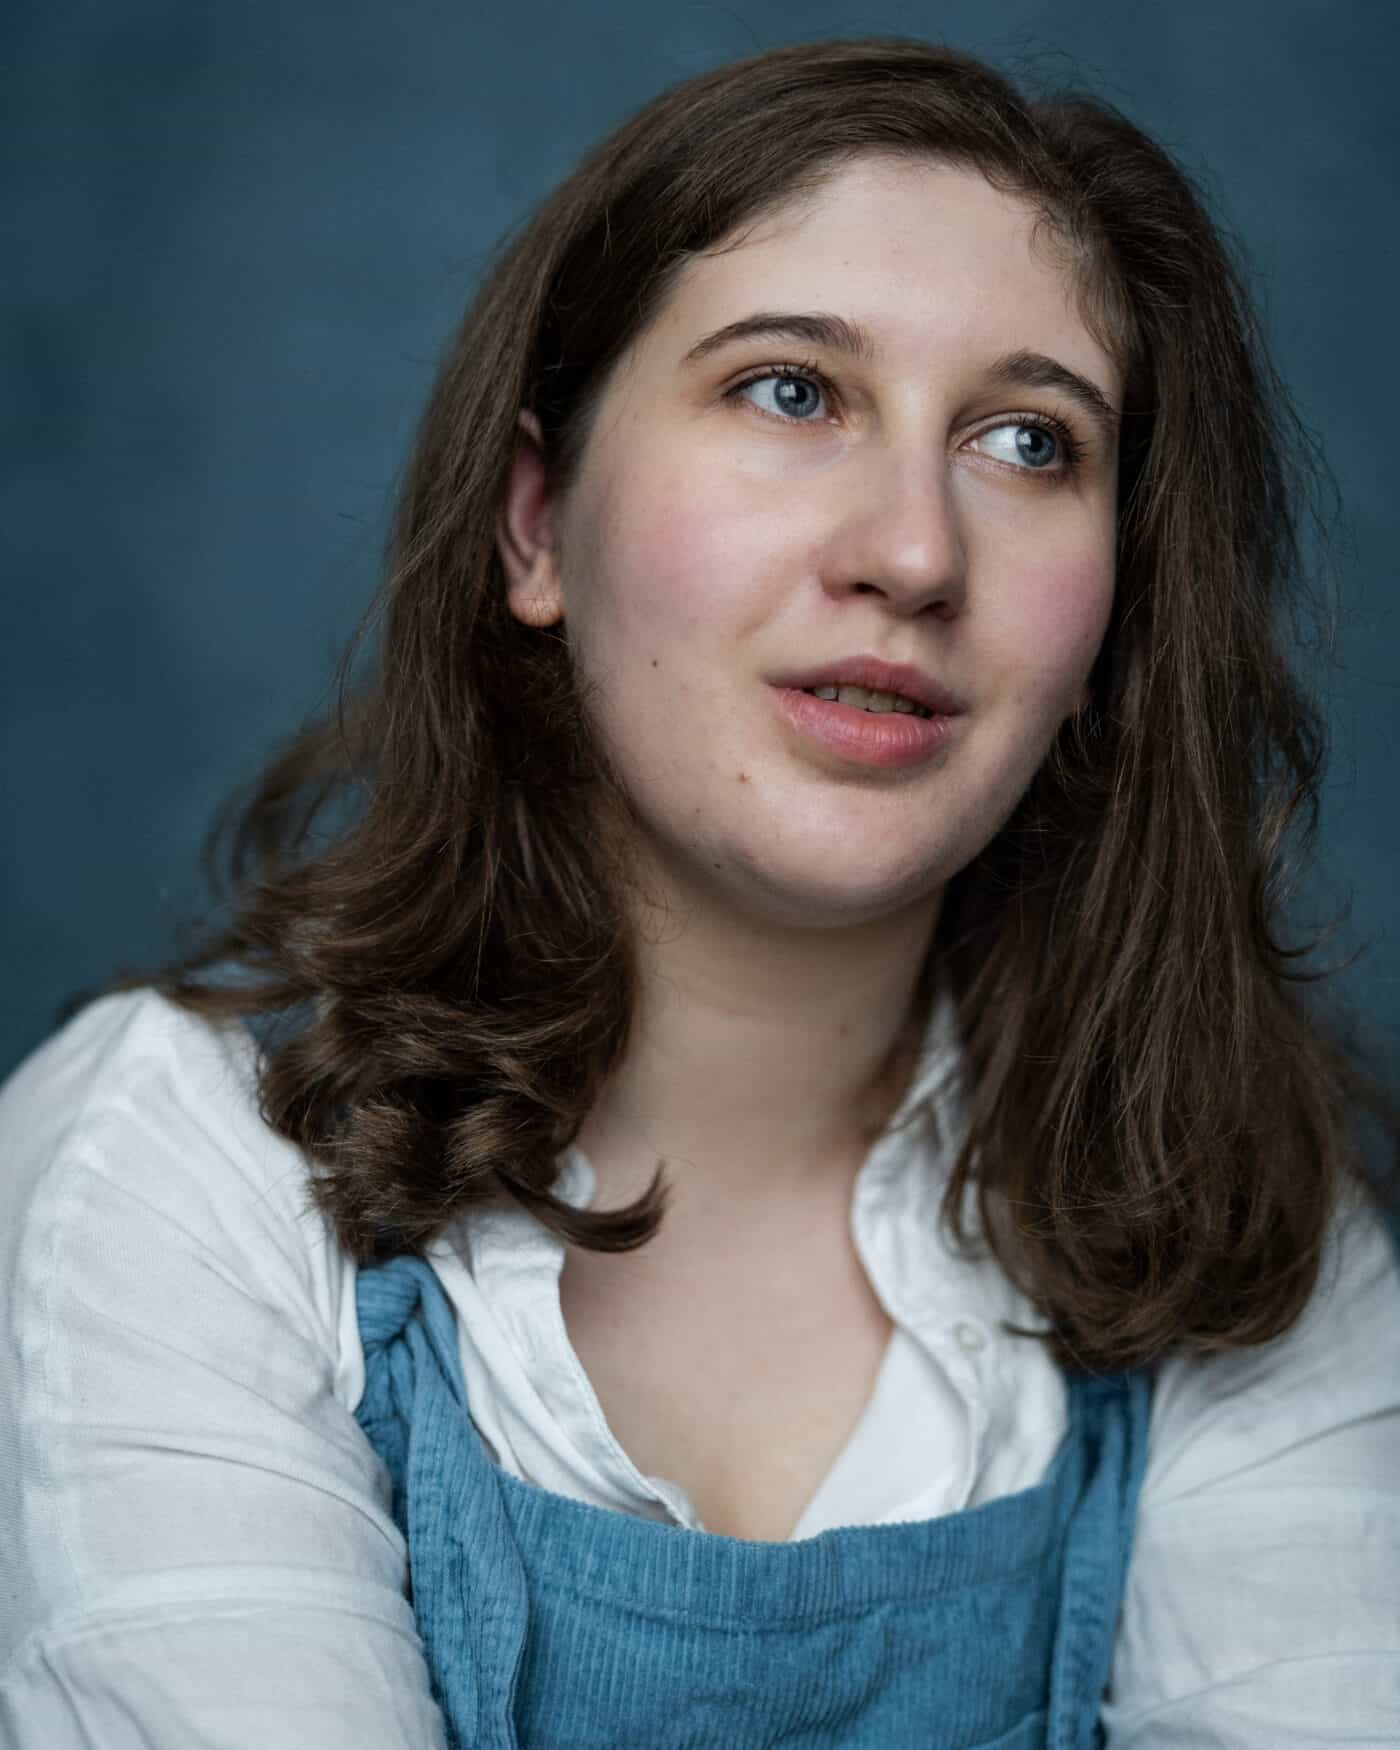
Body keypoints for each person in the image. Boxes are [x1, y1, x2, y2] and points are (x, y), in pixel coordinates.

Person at [1, 33, 1397, 1749]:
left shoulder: (1252, 1231)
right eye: (792, 390)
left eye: (1029, 440)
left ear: (1112, 628)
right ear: (534, 527)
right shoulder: (176, 1166)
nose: (912, 550)